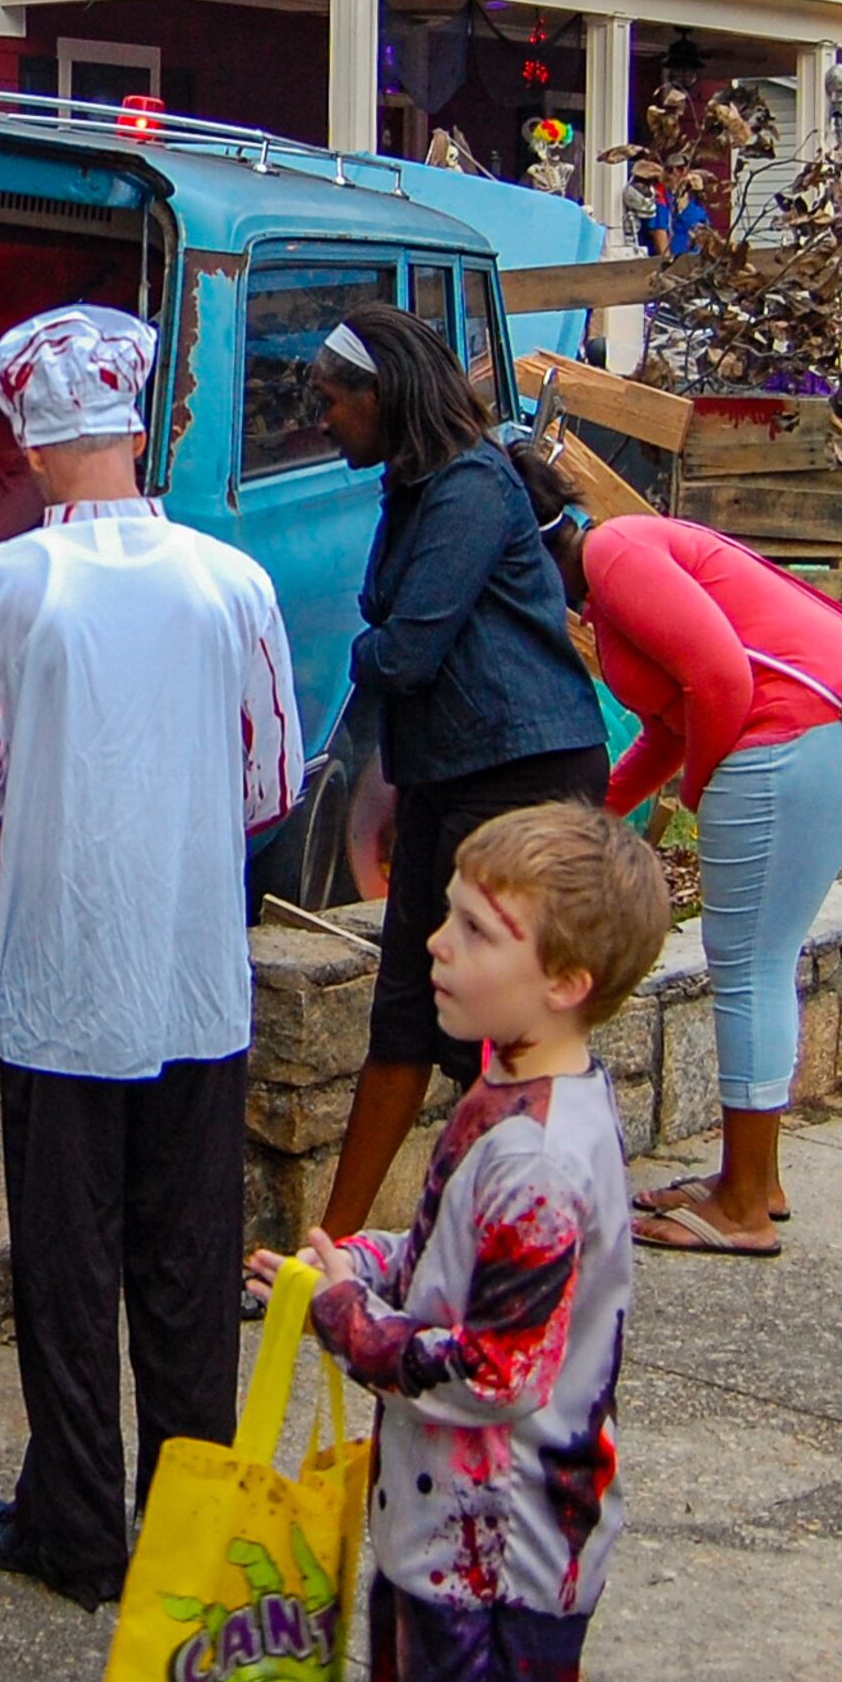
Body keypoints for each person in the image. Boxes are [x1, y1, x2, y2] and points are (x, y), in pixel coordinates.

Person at [0, 303, 301, 1609]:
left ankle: (74, 1525)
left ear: (24, 435)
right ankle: (190, 1530)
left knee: (66, 1261)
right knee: (191, 1257)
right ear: (140, 423)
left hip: (61, 971)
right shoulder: (232, 583)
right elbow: (268, 783)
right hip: (197, 966)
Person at [253, 800, 668, 1682]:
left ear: (565, 980)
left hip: (495, 1565)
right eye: (448, 914)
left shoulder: (539, 1164)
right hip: (446, 1532)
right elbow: (455, 1257)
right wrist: (364, 1262)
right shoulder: (513, 1085)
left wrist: (348, 1320)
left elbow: (495, 1373)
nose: (438, 943)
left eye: (478, 932)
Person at [511, 451, 842, 1259]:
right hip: (825, 727)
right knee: (759, 958)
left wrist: (697, 792)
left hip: (795, 732)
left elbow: (721, 681)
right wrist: (594, 817)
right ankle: (752, 1178)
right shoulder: (616, 569)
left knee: (747, 960)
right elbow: (674, 721)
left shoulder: (613, 555)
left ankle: (744, 1204)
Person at [307, 307, 609, 1246]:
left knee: (506, 1006)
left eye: (331, 401)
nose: (323, 420)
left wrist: (363, 654)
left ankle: (524, 1221)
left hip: (522, 772)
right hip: (457, 770)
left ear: (382, 396)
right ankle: (340, 1241)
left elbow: (407, 652)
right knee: (407, 1004)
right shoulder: (417, 485)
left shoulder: (469, 488)